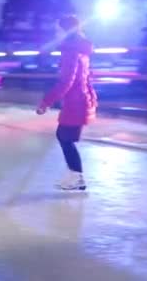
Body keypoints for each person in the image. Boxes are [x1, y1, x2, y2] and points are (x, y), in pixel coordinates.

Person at [36, 15, 97, 190]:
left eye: (57, 30)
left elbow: (67, 81)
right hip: (80, 99)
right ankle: (75, 175)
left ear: (65, 30)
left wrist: (46, 102)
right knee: (65, 137)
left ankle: (76, 176)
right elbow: (86, 77)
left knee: (64, 136)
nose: (56, 33)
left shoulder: (71, 50)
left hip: (76, 101)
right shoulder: (80, 48)